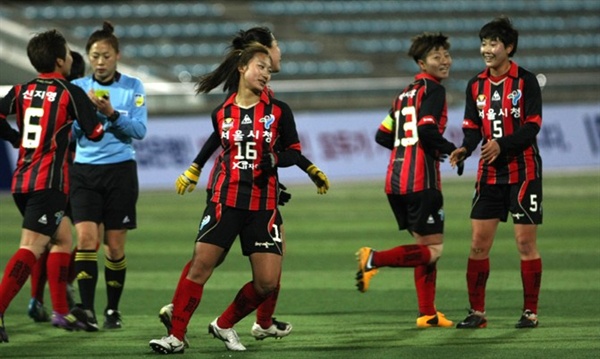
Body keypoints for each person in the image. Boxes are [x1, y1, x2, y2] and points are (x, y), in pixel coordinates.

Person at [158, 27, 328, 347]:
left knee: (266, 281)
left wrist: (297, 166)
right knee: (202, 263)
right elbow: (222, 141)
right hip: (226, 198)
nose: (267, 72)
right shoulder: (222, 113)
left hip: (263, 204)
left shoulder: (277, 109)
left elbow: (290, 150)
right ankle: (176, 334)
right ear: (243, 66)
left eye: (267, 67)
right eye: (261, 66)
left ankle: (229, 323)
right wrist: (195, 167)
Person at [0, 29, 105, 343]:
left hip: (22, 179)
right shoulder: (69, 91)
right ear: (61, 61)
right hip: (49, 182)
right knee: (31, 246)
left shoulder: (21, 89)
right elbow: (96, 132)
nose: (73, 58)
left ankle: (60, 311)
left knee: (61, 239)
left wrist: (13, 137)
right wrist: (96, 110)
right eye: (69, 54)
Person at [355, 32, 462, 328]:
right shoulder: (434, 91)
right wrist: (453, 150)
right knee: (433, 250)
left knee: (426, 249)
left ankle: (427, 313)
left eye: (446, 55)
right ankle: (374, 259)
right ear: (421, 62)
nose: (444, 61)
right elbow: (427, 131)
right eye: (436, 56)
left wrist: (410, 148)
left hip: (395, 179)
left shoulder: (403, 94)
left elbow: (382, 134)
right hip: (421, 181)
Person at [449, 16, 543, 329]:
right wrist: (465, 148)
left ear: (509, 47)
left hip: (523, 171)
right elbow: (473, 128)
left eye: (494, 43)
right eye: (484, 43)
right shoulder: (475, 85)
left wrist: (502, 145)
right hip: (488, 174)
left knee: (525, 244)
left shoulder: (525, 81)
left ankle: (530, 312)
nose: (487, 49)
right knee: (478, 244)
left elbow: (532, 126)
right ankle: (477, 312)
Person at [68, 21, 148, 331]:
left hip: (120, 173)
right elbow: (73, 134)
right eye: (94, 56)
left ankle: (112, 310)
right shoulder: (78, 89)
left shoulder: (133, 87)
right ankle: (86, 310)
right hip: (85, 172)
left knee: (114, 248)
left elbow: (139, 131)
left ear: (117, 55)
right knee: (87, 240)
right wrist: (86, 117)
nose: (100, 62)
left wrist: (112, 114)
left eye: (105, 56)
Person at [26, 50, 87, 323]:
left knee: (46, 238)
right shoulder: (73, 95)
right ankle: (63, 291)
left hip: (44, 177)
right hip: (72, 177)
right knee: (87, 236)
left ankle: (37, 299)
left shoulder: (44, 93)